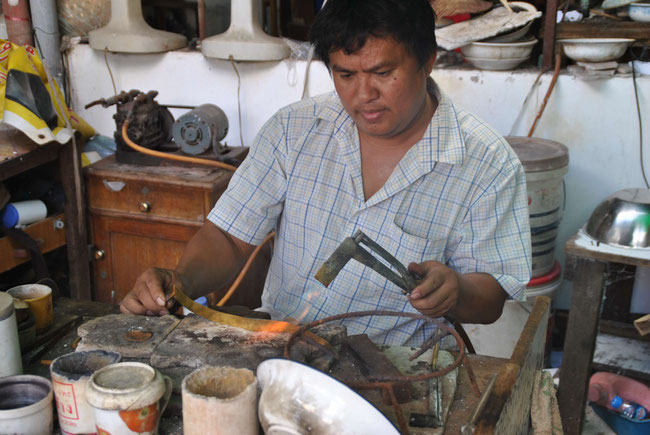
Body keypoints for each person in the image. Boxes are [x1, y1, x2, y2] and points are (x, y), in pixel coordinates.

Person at [121, 0, 531, 346]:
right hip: (283, 344)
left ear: (427, 61)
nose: (363, 95)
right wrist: (180, 281)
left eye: (383, 73)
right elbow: (230, 237)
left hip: (397, 362)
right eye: (345, 74)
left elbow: (492, 298)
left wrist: (455, 292)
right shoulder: (294, 129)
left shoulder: (486, 163)